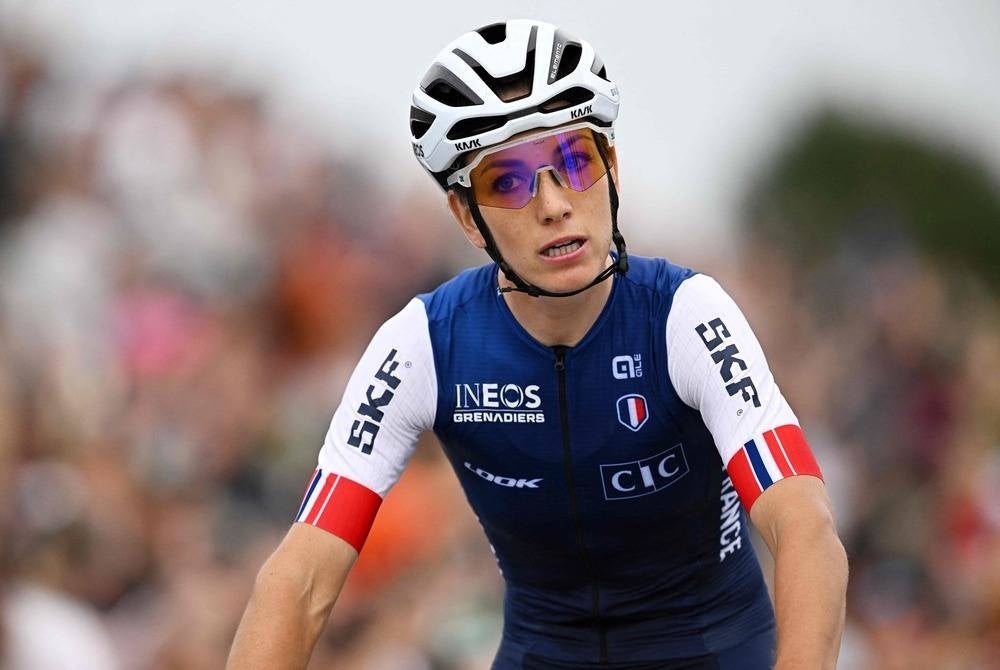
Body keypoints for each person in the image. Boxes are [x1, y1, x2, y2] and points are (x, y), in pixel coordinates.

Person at [227, 19, 848, 669]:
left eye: (576, 162)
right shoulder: (425, 345)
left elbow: (804, 525)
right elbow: (298, 582)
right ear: (467, 217)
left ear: (611, 167)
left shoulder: (684, 316)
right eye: (510, 182)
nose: (554, 204)